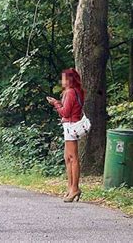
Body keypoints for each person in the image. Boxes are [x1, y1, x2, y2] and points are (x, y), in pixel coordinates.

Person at [46, 68, 84, 203]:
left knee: (72, 158)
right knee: (68, 157)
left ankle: (74, 188)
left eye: (64, 78)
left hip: (71, 126)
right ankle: (70, 187)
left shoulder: (70, 92)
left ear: (69, 80)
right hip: (71, 125)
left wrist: (55, 103)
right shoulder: (77, 91)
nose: (62, 81)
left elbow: (65, 112)